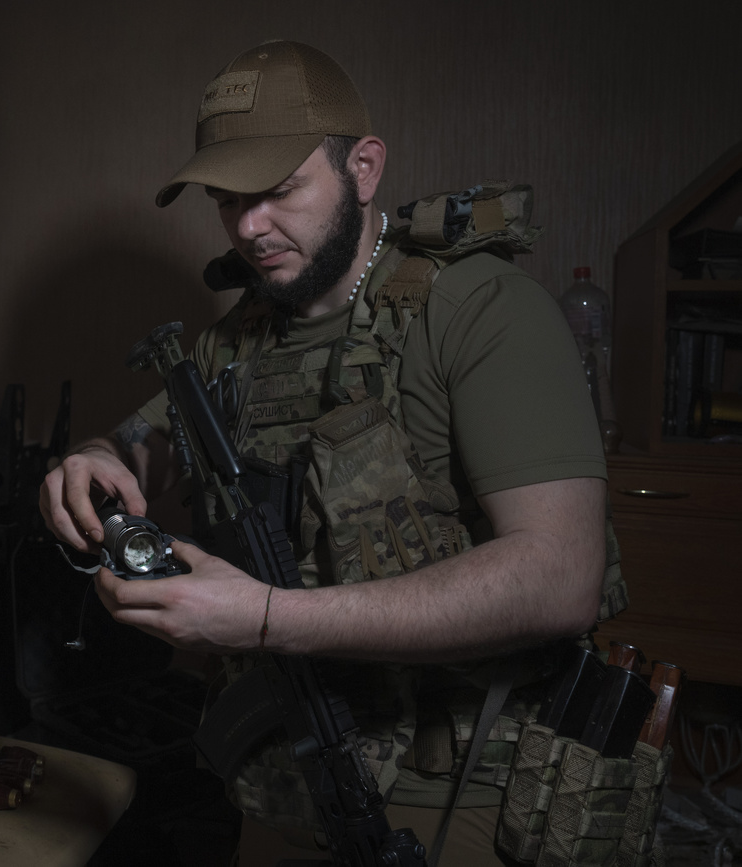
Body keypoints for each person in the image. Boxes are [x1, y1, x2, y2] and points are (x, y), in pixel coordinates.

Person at [40, 40, 626, 865]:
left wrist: (266, 618)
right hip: (280, 775)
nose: (249, 226)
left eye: (279, 189)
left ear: (365, 167)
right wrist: (87, 463)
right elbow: (140, 449)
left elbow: (565, 575)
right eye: (226, 199)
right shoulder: (234, 342)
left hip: (460, 797)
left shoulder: (483, 312)